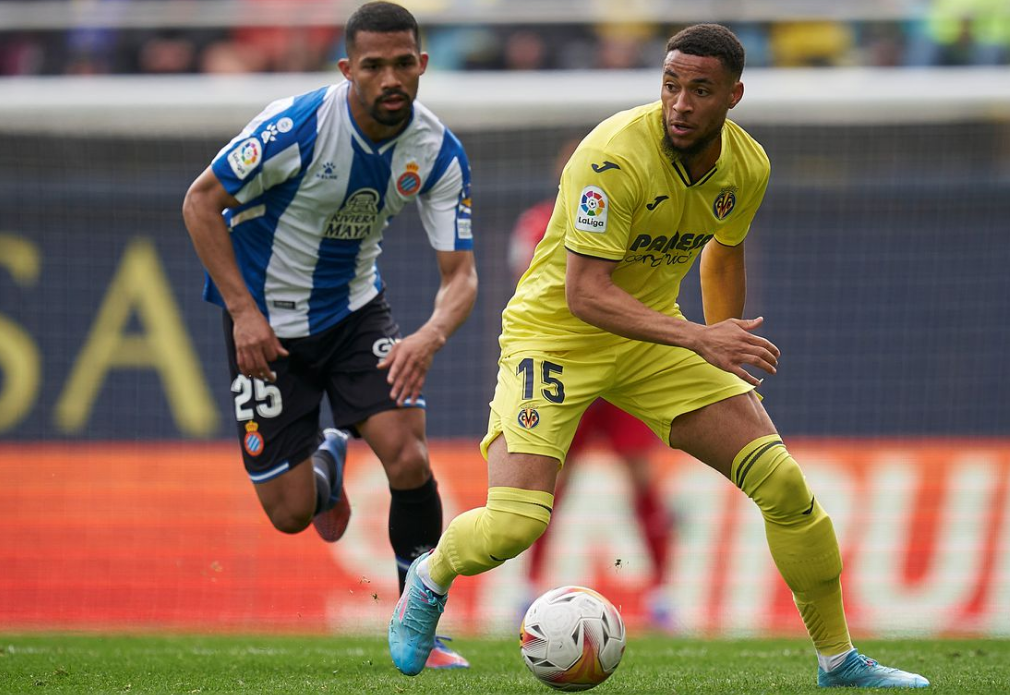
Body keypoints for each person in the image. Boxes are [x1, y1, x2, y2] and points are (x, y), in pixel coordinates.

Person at [388, 23, 930, 688]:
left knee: (784, 485)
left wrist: (724, 337)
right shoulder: (612, 156)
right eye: (671, 85)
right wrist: (702, 337)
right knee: (516, 523)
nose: (680, 103)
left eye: (699, 90)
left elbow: (723, 248)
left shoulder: (747, 164)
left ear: (733, 94)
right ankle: (430, 574)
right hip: (556, 337)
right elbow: (584, 293)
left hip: (652, 340)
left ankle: (839, 660)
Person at [182, 1, 476, 670]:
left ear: (423, 64)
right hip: (263, 329)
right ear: (348, 69)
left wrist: (428, 335)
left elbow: (461, 276)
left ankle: (419, 621)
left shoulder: (435, 150)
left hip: (354, 315)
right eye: (374, 66)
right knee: (289, 513)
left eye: (404, 63)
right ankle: (329, 457)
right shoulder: (298, 126)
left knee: (407, 455)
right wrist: (242, 311)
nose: (391, 78)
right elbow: (200, 201)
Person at [509, 138, 675, 631]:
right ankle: (528, 589)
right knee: (548, 488)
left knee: (643, 480)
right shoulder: (536, 226)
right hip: (565, 374)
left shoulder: (631, 222)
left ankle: (663, 593)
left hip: (621, 373)